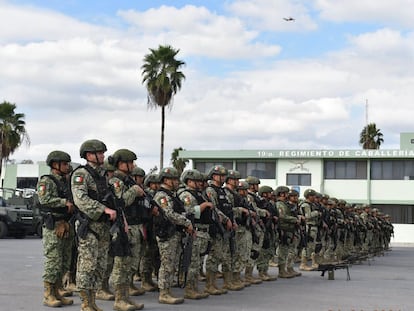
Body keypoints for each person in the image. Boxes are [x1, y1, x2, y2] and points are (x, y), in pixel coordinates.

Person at [71, 139, 117, 311]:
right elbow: (80, 199)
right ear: (90, 155)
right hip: (89, 226)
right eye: (100, 153)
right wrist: (103, 209)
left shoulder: (103, 175)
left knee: (100, 265)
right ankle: (85, 303)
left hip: (103, 227)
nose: (103, 156)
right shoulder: (81, 174)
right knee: (87, 265)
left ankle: (92, 302)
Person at [107, 149, 146, 311]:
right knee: (121, 265)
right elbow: (120, 202)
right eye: (129, 162)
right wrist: (134, 191)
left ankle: (126, 297)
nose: (132, 165)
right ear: (120, 164)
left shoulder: (128, 180)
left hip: (134, 226)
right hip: (123, 227)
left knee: (130, 265)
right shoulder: (116, 181)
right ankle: (119, 300)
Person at [38, 151, 74, 307]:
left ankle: (58, 291)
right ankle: (48, 294)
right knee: (53, 261)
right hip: (54, 225)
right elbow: (44, 199)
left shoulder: (65, 181)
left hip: (66, 224)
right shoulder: (47, 181)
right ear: (55, 165)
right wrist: (63, 202)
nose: (67, 166)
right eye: (64, 164)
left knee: (65, 260)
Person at [152, 167, 194, 304]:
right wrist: (186, 222)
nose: (177, 182)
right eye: (174, 179)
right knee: (167, 264)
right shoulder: (162, 196)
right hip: (166, 234)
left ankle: (168, 290)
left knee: (173, 263)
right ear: (166, 180)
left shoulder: (172, 195)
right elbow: (168, 214)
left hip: (174, 233)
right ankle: (163, 293)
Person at [178, 169, 212, 299]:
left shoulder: (199, 194)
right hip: (194, 231)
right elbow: (188, 212)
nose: (200, 184)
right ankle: (189, 289)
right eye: (197, 181)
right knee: (192, 262)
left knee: (197, 263)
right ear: (190, 181)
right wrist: (203, 206)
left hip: (202, 231)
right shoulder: (186, 195)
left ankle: (194, 287)